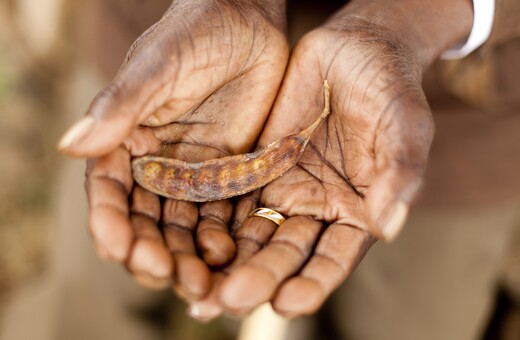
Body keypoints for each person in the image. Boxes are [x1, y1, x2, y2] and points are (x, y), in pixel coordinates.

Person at [56, 0, 520, 338]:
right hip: (178, 76)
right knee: (91, 304)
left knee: (412, 323)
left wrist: (411, 17)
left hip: (457, 117)